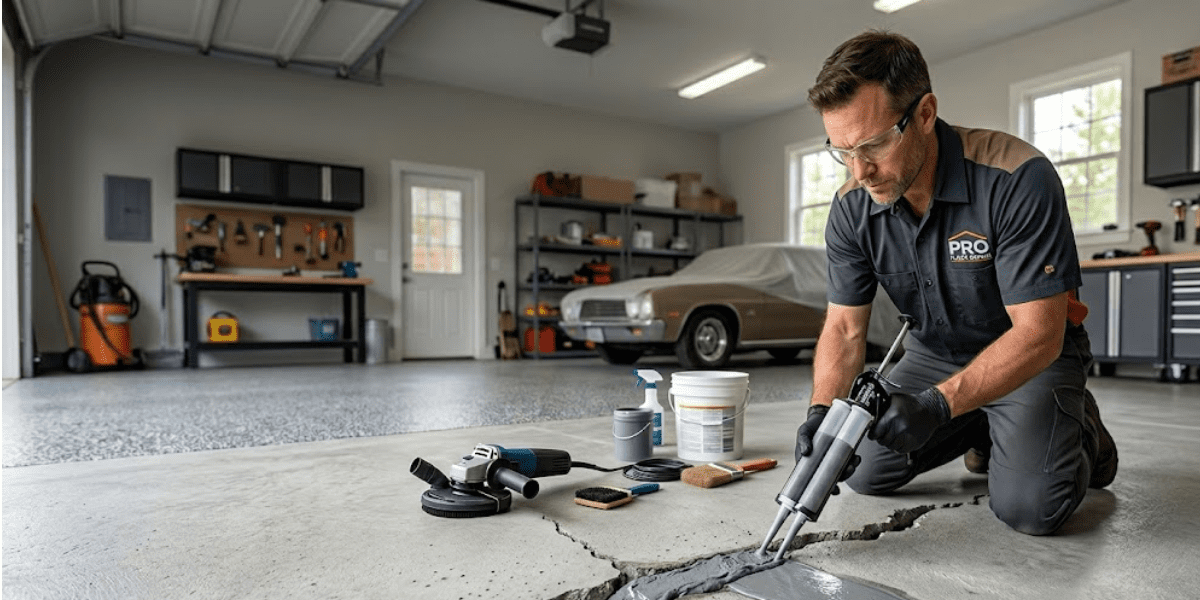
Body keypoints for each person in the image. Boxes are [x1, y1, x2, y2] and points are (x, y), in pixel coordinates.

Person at [794, 30, 1117, 536]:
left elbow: (1039, 334)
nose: (860, 171)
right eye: (842, 151)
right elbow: (844, 329)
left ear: (924, 113)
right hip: (935, 353)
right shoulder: (852, 205)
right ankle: (984, 422)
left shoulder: (1016, 177)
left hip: (1031, 353)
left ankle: (1082, 430)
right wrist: (822, 412)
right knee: (866, 468)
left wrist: (936, 405)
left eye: (874, 144)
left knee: (1031, 509)